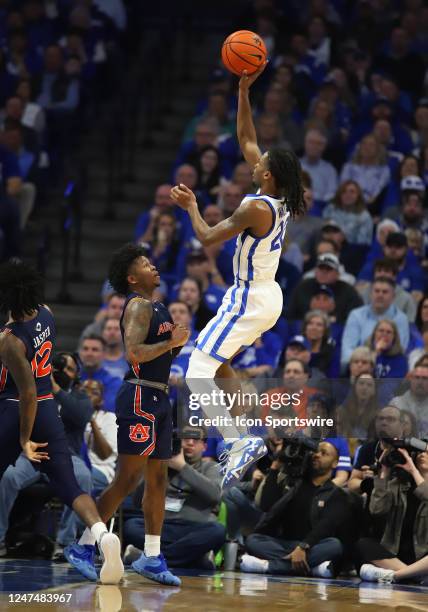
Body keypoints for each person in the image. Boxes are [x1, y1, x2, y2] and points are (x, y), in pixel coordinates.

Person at [170, 63, 305, 488]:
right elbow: (247, 136)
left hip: (250, 296)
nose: (255, 158)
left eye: (261, 162)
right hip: (264, 296)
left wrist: (191, 205)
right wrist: (243, 90)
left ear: (269, 174)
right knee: (220, 358)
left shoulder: (255, 207)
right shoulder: (276, 196)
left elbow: (209, 237)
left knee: (195, 368)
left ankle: (237, 438)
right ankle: (242, 403)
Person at [0, 260, 122, 584]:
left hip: (18, 408)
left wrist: (24, 440)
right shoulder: (47, 312)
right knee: (70, 486)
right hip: (48, 408)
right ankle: (101, 534)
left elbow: (25, 393)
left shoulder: (11, 340)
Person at [76, 243, 190, 587]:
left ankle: (152, 556)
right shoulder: (139, 306)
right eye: (145, 263)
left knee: (158, 480)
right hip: (139, 394)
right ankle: (82, 547)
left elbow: (161, 356)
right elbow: (134, 354)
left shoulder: (160, 308)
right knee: (127, 479)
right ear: (132, 277)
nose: (153, 266)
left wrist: (177, 343)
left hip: (159, 397)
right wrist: (171, 344)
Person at [240, 441, 350, 577]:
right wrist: (275, 468)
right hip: (284, 545)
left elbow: (326, 525)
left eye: (324, 453)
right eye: (316, 452)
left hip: (313, 546)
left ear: (334, 463)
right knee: (253, 540)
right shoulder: (295, 484)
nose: (317, 455)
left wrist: (303, 546)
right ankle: (312, 568)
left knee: (334, 545)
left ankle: (268, 566)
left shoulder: (336, 494)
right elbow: (267, 505)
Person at [123, 427, 225, 569]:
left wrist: (182, 467)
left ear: (204, 447)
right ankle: (194, 560)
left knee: (217, 531)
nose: (190, 443)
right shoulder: (162, 466)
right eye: (185, 439)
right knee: (131, 526)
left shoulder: (211, 467)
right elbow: (136, 502)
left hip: (194, 529)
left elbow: (214, 495)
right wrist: (153, 467)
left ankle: (144, 557)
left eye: (195, 440)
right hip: (162, 528)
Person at [357, 447, 428, 585]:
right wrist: (384, 472)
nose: (423, 455)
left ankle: (394, 575)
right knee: (363, 545)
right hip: (396, 556)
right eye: (421, 452)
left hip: (423, 555)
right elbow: (377, 510)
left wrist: (414, 471)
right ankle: (416, 576)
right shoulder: (398, 484)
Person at [341, 278, 410, 369]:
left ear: (393, 296)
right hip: (358, 367)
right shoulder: (356, 315)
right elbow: (347, 351)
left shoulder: (401, 319)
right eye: (376, 291)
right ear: (370, 294)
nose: (380, 295)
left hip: (389, 366)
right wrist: (364, 363)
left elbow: (399, 350)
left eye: (385, 292)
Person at [79, 335, 122, 412]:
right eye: (85, 349)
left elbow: (109, 409)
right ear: (80, 353)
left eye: (95, 350)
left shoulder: (115, 382)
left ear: (104, 354)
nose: (89, 353)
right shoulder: (71, 378)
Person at [322, 180, 373, 245]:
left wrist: (344, 238)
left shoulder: (365, 217)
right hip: (327, 245)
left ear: (358, 195)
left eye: (352, 192)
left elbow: (363, 244)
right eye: (344, 191)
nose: (348, 195)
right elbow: (322, 230)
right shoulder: (330, 209)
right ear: (339, 194)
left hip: (351, 250)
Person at [390, 365, 428, 438]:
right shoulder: (396, 403)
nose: (420, 382)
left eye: (425, 378)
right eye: (417, 377)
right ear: (410, 380)